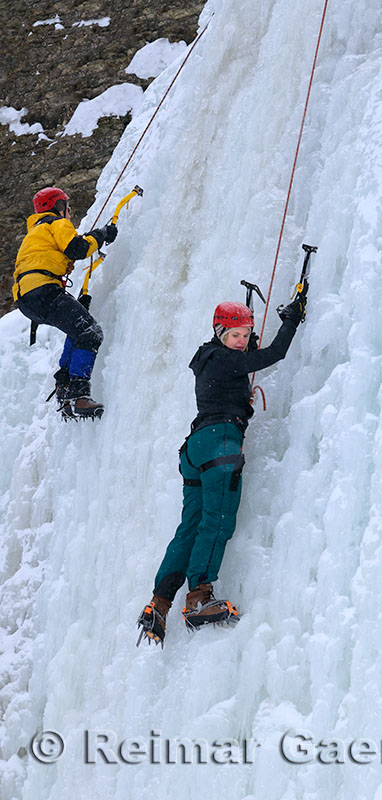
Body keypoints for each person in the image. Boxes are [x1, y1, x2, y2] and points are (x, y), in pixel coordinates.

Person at [137, 294, 306, 644]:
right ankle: (199, 597)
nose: (241, 341)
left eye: (246, 334)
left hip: (196, 447)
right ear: (219, 333)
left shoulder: (209, 358)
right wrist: (291, 321)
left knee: (191, 525)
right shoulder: (226, 359)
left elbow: (240, 360)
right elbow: (273, 355)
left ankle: (160, 603)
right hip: (220, 442)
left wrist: (246, 341)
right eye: (235, 335)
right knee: (218, 520)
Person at [12, 186, 118, 418]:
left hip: (27, 298)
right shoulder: (55, 223)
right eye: (66, 206)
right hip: (43, 290)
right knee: (91, 333)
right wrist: (102, 235)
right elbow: (77, 248)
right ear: (58, 207)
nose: (69, 211)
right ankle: (79, 395)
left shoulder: (34, 234)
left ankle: (65, 388)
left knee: (77, 331)